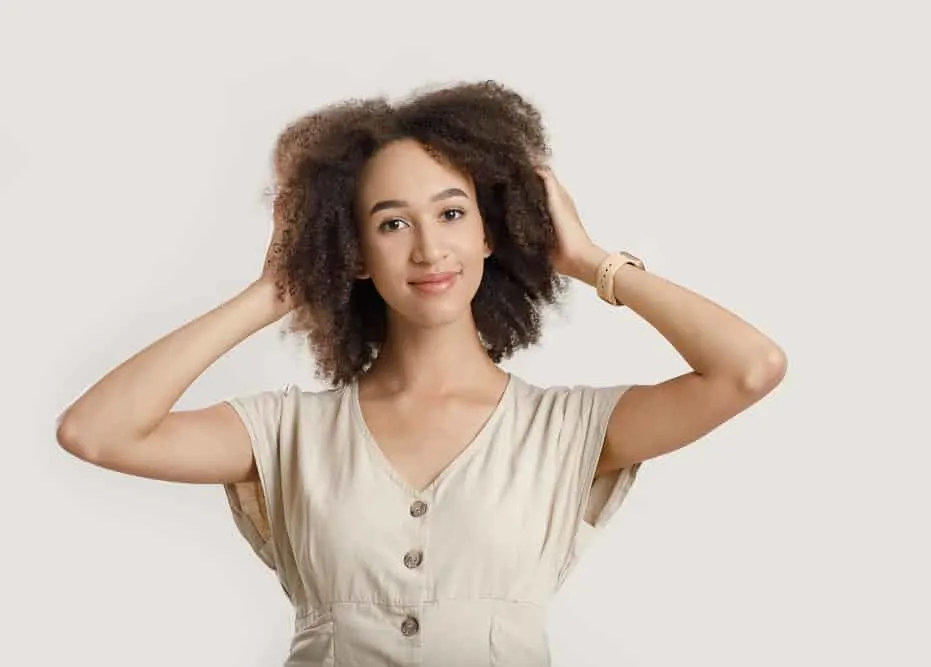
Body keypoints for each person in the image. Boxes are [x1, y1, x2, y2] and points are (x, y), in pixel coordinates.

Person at [56, 80, 787, 666]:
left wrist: (592, 262)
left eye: (451, 212)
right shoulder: (288, 432)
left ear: (491, 228)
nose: (429, 249)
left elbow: (750, 368)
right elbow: (96, 431)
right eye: (391, 223)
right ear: (354, 251)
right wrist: (272, 291)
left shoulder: (566, 429)